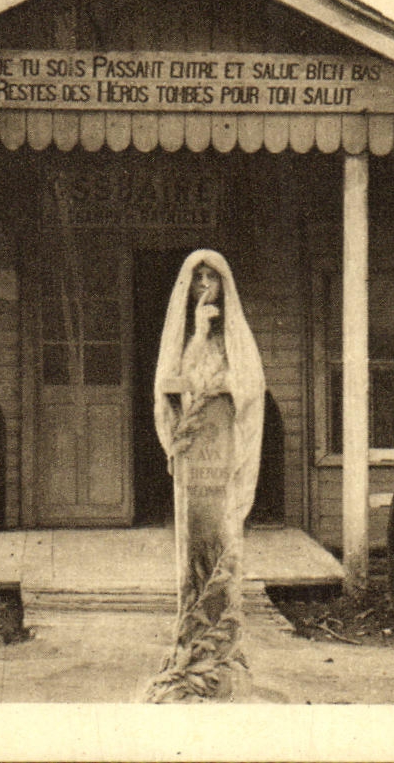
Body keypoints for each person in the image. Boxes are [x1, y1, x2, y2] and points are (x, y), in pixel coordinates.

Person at [145, 250, 264, 702]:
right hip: (196, 457)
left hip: (223, 452)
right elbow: (173, 384)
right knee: (192, 551)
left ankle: (223, 654)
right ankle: (190, 648)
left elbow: (248, 386)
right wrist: (197, 332)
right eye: (199, 281)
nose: (206, 288)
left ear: (223, 286)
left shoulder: (235, 338)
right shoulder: (188, 338)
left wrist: (226, 386)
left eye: (213, 280)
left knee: (224, 545)